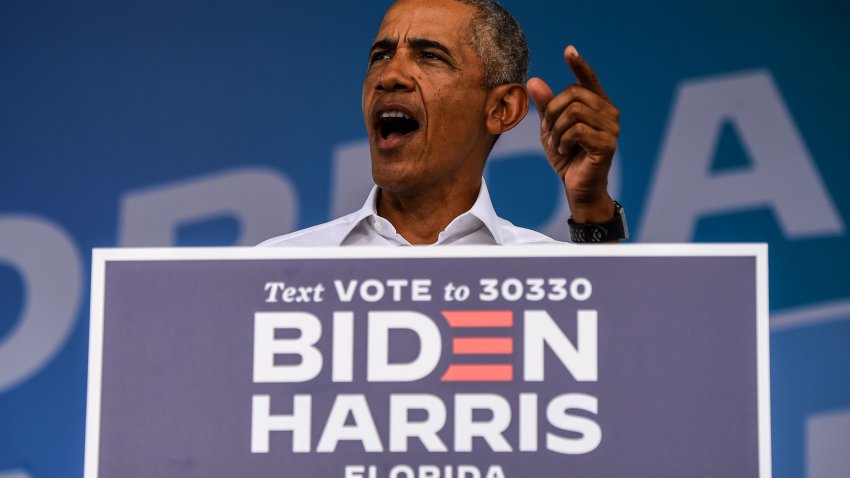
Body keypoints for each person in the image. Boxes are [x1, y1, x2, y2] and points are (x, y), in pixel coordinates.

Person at [261, 0, 625, 247]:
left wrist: (591, 206)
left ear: (502, 108)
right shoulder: (274, 269)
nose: (389, 75)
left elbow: (627, 347)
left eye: (430, 56)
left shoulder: (545, 271)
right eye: (381, 55)